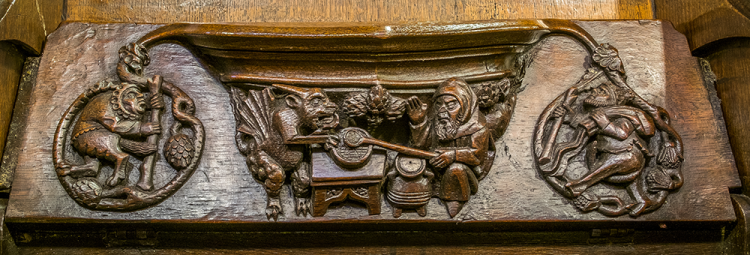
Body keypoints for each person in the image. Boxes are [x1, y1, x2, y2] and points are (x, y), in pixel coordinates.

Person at [405, 77, 490, 217]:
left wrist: (453, 156)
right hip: (433, 174)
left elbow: (478, 155)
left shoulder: (477, 127)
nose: (442, 111)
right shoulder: (437, 123)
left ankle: (453, 200)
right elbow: (419, 147)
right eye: (439, 105)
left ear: (465, 106)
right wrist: (418, 122)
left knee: (456, 169)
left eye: (451, 106)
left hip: (464, 178)